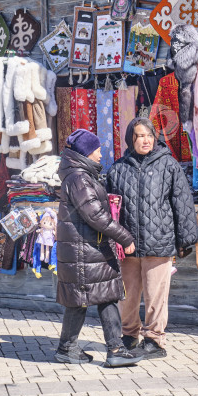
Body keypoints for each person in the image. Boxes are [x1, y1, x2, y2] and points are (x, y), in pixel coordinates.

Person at [107, 117, 198, 359]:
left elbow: (182, 202)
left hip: (159, 241)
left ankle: (155, 340)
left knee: (156, 294)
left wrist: (185, 238)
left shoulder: (168, 165)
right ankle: (129, 335)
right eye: (139, 136)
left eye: (148, 135)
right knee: (126, 295)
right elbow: (112, 208)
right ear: (131, 139)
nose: (145, 140)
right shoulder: (118, 169)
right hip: (127, 244)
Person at [55, 129, 143, 367]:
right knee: (102, 297)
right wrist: (125, 237)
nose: (100, 153)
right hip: (85, 250)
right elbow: (94, 214)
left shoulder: (78, 175)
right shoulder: (79, 178)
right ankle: (113, 349)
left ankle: (69, 348)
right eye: (97, 149)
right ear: (85, 152)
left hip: (85, 249)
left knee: (88, 298)